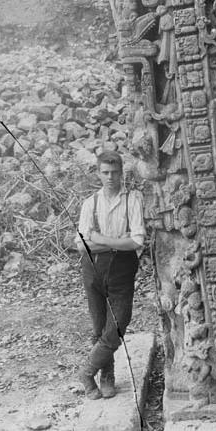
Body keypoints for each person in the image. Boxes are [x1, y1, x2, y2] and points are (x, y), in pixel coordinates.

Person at [76, 151, 145, 399]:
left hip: (122, 271)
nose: (110, 177)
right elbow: (82, 244)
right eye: (105, 172)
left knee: (117, 326)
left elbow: (137, 240)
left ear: (121, 173)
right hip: (93, 269)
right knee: (99, 327)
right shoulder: (90, 203)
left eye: (114, 172)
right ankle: (106, 377)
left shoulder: (132, 200)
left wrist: (101, 239)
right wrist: (118, 242)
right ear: (98, 173)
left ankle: (87, 371)